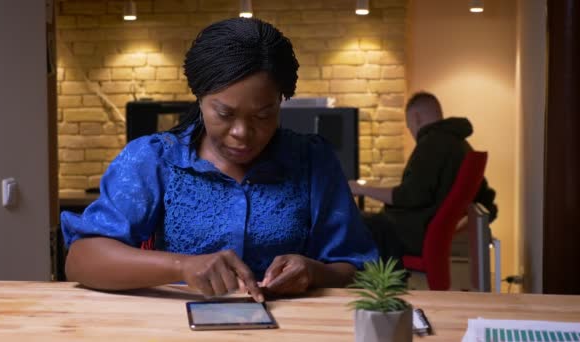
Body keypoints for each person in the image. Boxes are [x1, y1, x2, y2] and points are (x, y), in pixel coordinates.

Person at [61, 18, 378, 303]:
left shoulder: (312, 161)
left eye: (263, 115)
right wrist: (182, 266)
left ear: (281, 102)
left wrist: (313, 272)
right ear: (199, 98)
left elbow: (358, 266)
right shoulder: (155, 159)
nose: (242, 132)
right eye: (224, 113)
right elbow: (81, 259)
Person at [349, 92, 497, 263]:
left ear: (416, 117)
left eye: (409, 125)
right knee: (362, 220)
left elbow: (410, 196)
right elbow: (487, 200)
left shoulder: (432, 143)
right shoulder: (461, 145)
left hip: (409, 235)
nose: (411, 132)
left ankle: (335, 285)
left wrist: (360, 189)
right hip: (421, 231)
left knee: (349, 222)